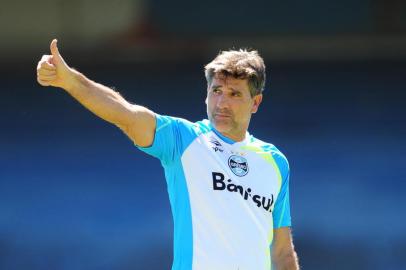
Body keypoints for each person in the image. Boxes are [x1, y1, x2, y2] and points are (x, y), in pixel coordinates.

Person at [36, 39, 300, 270]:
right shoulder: (183, 139)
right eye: (216, 91)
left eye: (234, 94)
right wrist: (70, 80)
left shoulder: (275, 162)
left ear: (255, 103)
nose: (222, 103)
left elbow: (282, 252)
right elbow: (124, 113)